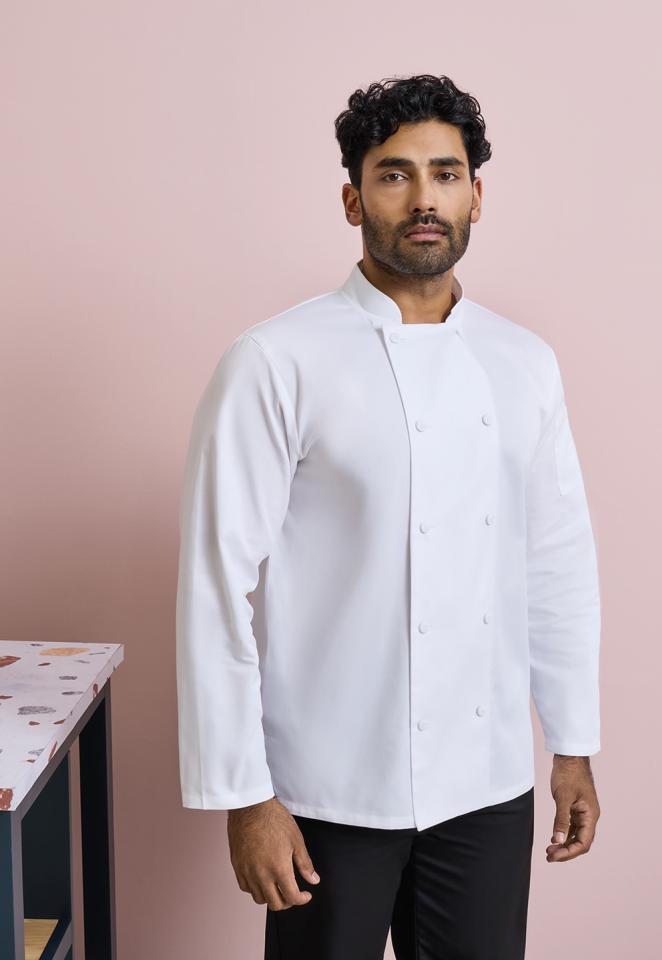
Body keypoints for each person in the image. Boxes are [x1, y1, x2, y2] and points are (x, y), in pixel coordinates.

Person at [176, 73, 602, 960]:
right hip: (327, 788)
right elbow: (215, 587)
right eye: (394, 175)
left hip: (485, 786)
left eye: (446, 174)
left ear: (477, 196)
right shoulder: (275, 361)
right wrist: (246, 796)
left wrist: (572, 745)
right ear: (353, 199)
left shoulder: (524, 362)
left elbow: (557, 564)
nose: (424, 200)